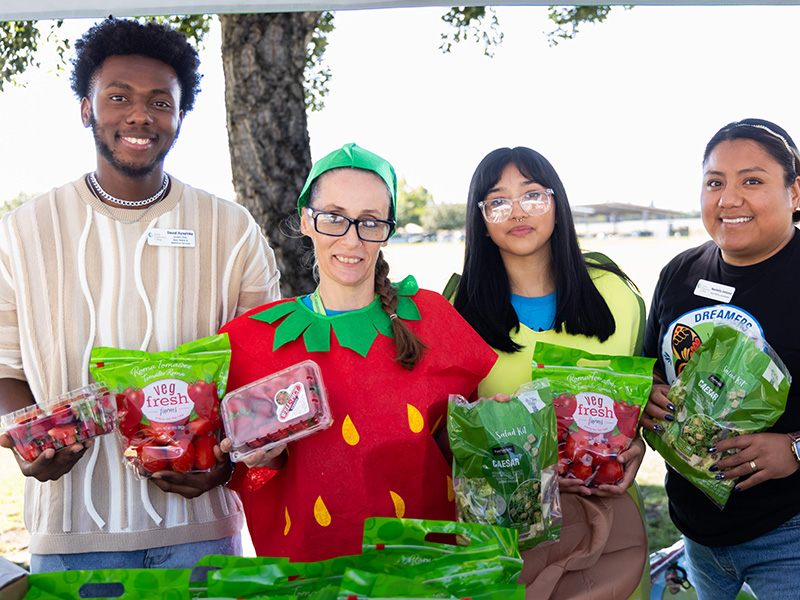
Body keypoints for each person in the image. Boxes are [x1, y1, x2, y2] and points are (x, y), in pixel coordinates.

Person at [0, 18, 281, 572]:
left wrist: (226, 464)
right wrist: (27, 441)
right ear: (86, 108)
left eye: (160, 101)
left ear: (179, 117)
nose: (139, 114)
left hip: (203, 533)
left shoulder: (233, 228)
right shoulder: (22, 232)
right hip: (71, 536)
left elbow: (265, 373)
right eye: (118, 96)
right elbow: (4, 368)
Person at [219, 143, 497, 562]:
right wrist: (265, 459)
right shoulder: (256, 341)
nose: (351, 238)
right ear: (306, 221)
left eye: (369, 222)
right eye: (333, 217)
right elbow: (246, 475)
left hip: (422, 564)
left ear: (387, 229)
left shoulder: (431, 319)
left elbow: (463, 446)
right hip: (312, 569)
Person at [451, 147, 650, 600]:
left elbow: (646, 401)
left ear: (558, 205)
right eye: (497, 201)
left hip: (608, 528)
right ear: (480, 219)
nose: (517, 211)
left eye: (533, 195)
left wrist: (638, 442)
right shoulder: (455, 310)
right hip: (509, 534)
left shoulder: (616, 293)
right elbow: (442, 433)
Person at [641, 118, 800, 600]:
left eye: (752, 180)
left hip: (789, 532)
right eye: (715, 182)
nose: (728, 199)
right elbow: (651, 368)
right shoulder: (680, 272)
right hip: (696, 531)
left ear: (795, 192)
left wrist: (794, 448)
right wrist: (645, 397)